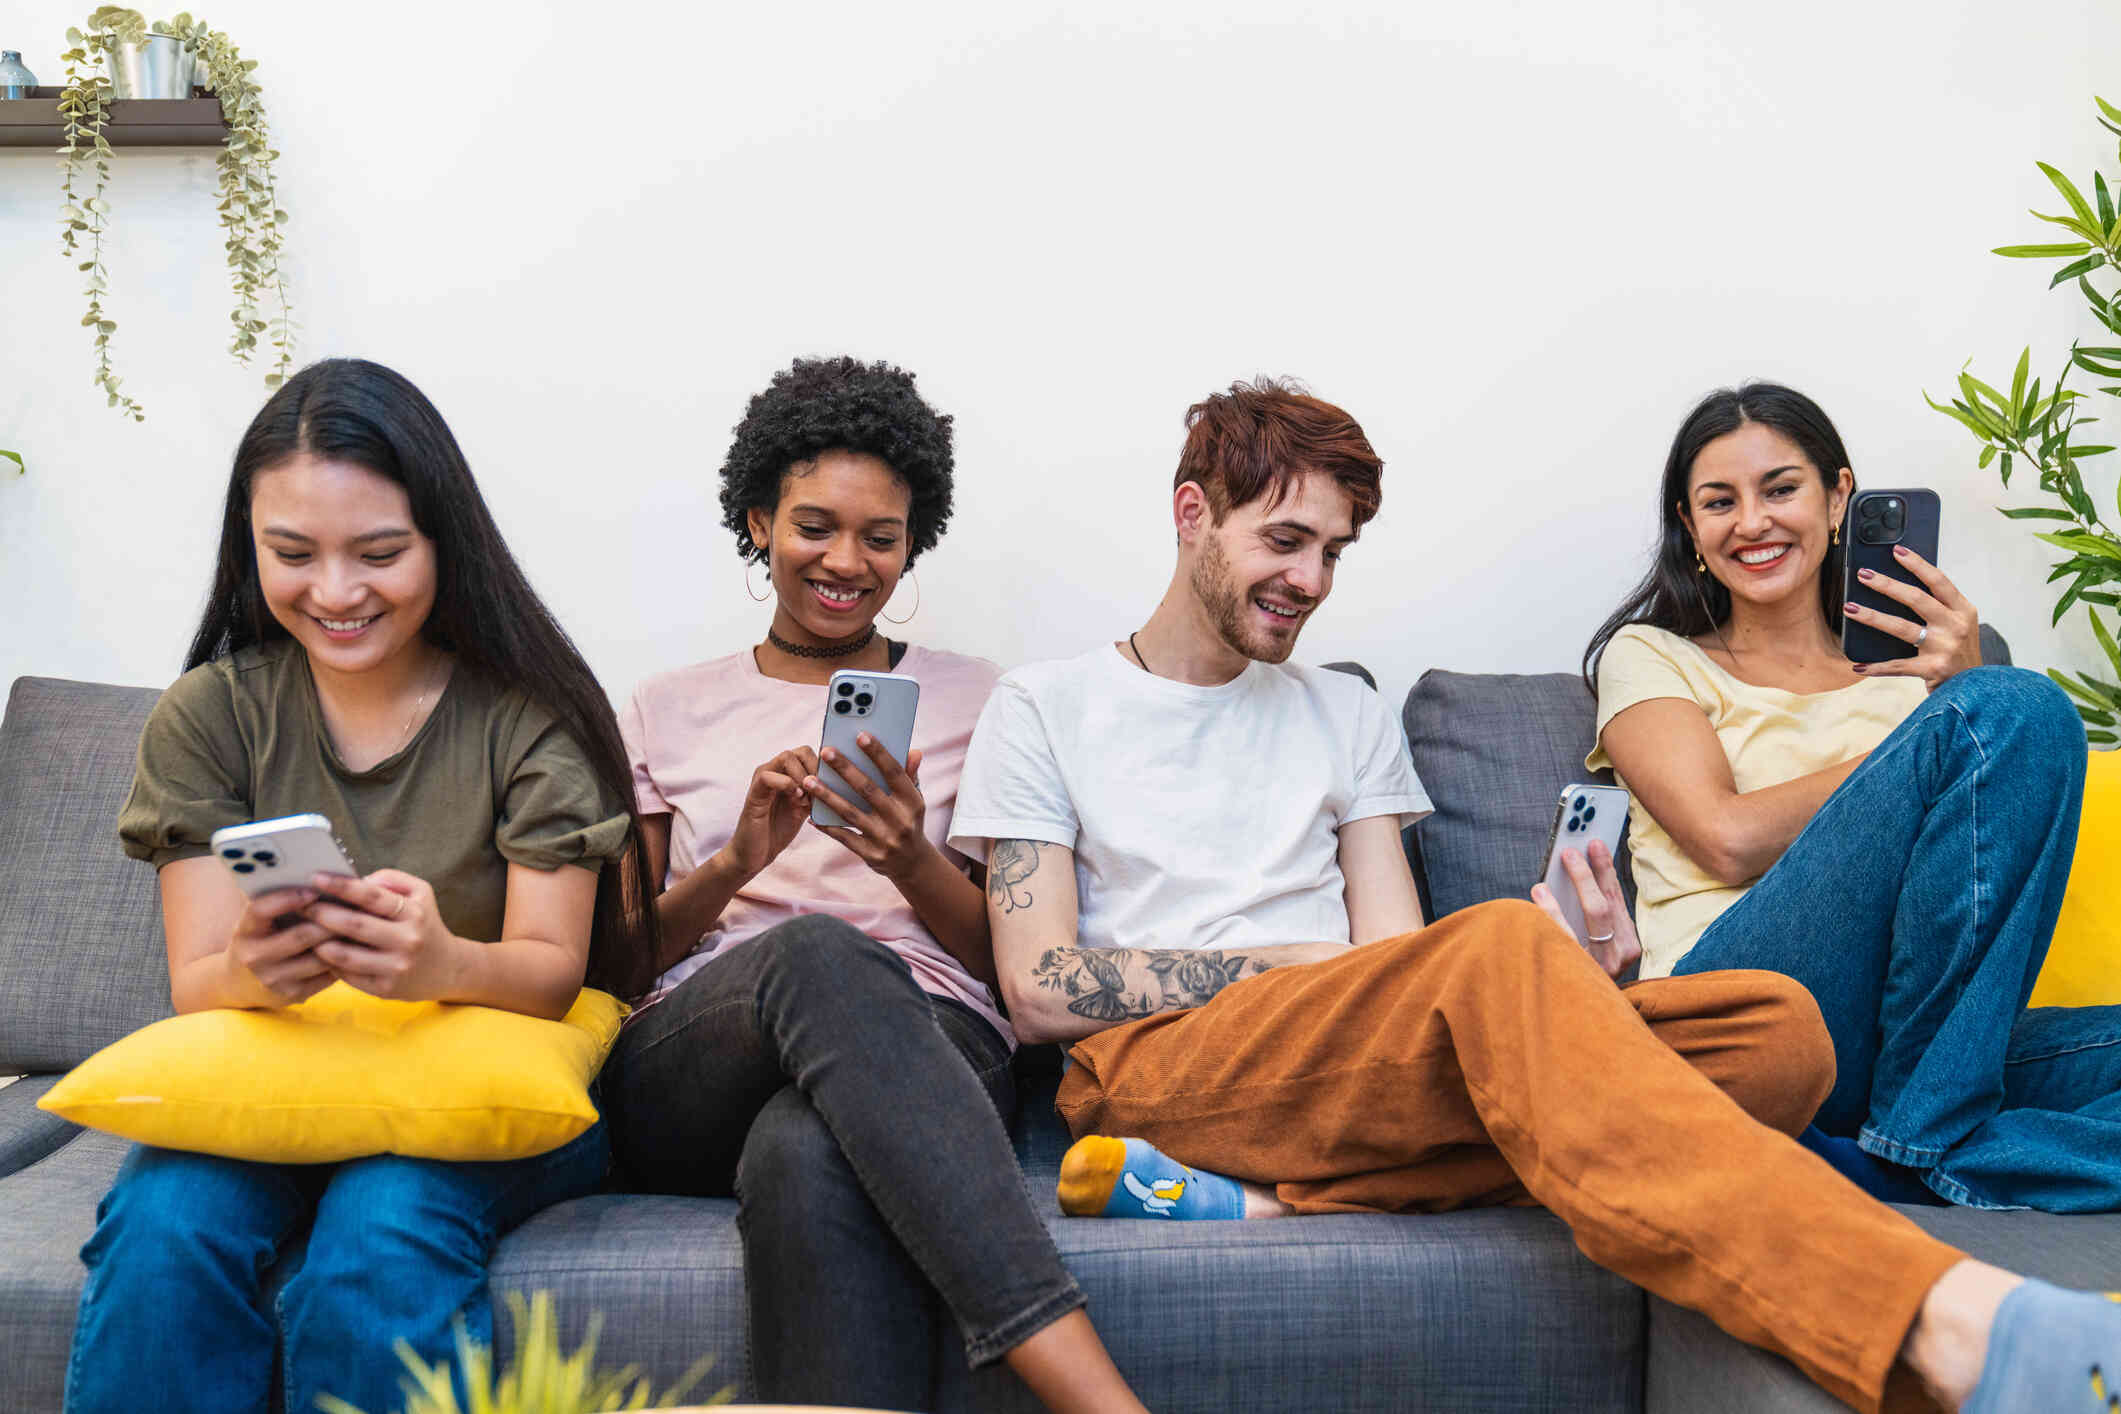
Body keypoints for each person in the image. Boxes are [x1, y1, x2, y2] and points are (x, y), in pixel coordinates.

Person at [949, 377, 2121, 1414]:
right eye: (1286, 539)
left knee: (1777, 1036)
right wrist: (1323, 970)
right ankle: (1942, 1322)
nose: (1309, 580)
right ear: (1191, 511)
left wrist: (1545, 980)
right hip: (1164, 1060)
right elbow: (1043, 988)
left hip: (1352, 1042)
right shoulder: (1045, 706)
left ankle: (1273, 1199)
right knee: (1500, 948)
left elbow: (1397, 951)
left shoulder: (1342, 713)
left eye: (1335, 553)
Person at [69, 359, 658, 1414]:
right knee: (161, 1233)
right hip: (278, 1084)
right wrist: (256, 964)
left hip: (480, 1102)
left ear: (444, 541)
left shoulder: (528, 717)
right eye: (292, 554)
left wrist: (441, 963)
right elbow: (200, 981)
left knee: (376, 1239)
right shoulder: (210, 714)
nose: (335, 593)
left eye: (378, 553)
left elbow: (551, 969)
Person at [600, 356, 1145, 1413]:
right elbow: (620, 961)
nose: (845, 561)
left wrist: (906, 856)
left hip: (930, 1049)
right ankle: (1091, 1389)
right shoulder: (666, 705)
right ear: (757, 522)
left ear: (912, 545)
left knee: (807, 1147)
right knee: (813, 948)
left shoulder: (988, 700)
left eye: (880, 538)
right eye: (813, 526)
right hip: (697, 1063)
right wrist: (739, 866)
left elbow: (1009, 970)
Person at [1582, 381, 2121, 1213]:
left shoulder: (1931, 682)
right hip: (1741, 1012)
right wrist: (1931, 749)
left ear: (1839, 498)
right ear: (1691, 529)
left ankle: (1904, 1155)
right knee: (2021, 705)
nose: (1752, 521)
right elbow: (1722, 837)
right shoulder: (1650, 655)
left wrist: (1962, 699)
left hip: (1913, 1039)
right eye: (1718, 501)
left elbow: (1978, 841)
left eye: (1781, 488)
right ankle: (1929, 1139)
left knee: (2010, 705)